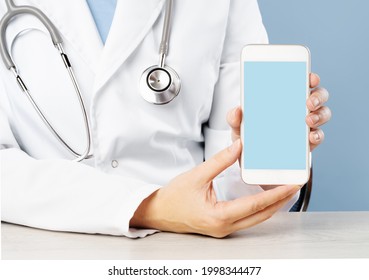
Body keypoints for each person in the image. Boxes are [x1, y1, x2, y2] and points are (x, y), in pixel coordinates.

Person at [0, 0, 331, 238]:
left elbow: (225, 186)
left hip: (190, 250)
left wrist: (261, 175)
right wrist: (150, 207)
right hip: (43, 246)